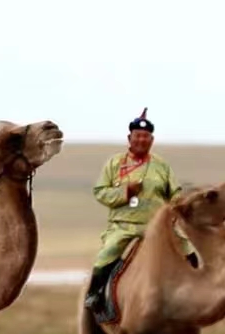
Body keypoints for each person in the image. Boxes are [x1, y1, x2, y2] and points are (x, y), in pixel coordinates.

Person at [84, 108, 196, 311]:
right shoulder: (114, 163)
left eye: (146, 136)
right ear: (129, 138)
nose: (141, 140)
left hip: (156, 226)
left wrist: (177, 204)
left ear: (151, 139)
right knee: (107, 252)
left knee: (186, 246)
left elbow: (175, 193)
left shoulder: (162, 166)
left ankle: (197, 288)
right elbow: (100, 192)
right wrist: (125, 192)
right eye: (137, 136)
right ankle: (95, 294)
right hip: (123, 226)